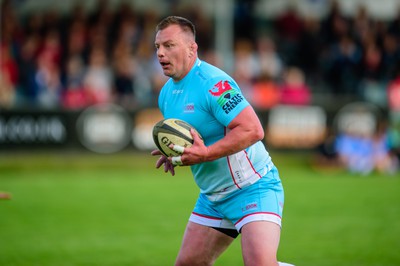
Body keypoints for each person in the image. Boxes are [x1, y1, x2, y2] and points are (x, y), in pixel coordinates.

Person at [151, 16, 288, 266]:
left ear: (192, 48)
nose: (160, 53)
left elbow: (253, 130)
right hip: (213, 197)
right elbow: (191, 137)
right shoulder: (166, 94)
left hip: (252, 187)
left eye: (169, 45)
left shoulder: (214, 83)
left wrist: (205, 154)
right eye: (157, 47)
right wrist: (174, 152)